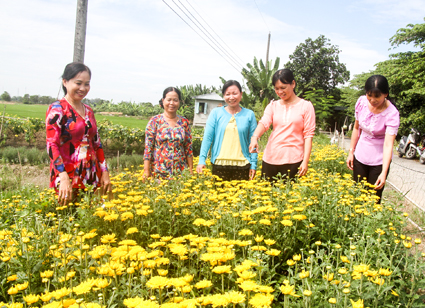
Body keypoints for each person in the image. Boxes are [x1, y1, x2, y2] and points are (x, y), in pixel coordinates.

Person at [46, 62, 111, 204]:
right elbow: (52, 145)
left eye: (87, 84)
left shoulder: (88, 110)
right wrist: (63, 177)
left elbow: (97, 143)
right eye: (78, 83)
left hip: (91, 175)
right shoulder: (58, 109)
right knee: (67, 218)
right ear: (65, 82)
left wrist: (104, 171)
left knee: (90, 218)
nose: (83, 88)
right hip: (67, 176)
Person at [249, 69, 316, 182]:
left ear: (293, 84)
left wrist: (305, 161)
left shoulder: (306, 106)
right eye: (276, 88)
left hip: (294, 160)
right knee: (266, 197)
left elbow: (308, 135)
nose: (280, 92)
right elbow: (264, 122)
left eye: (283, 88)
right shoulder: (273, 105)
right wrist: (255, 137)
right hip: (270, 159)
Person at [346, 75, 399, 203]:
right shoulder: (361, 103)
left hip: (379, 161)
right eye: (369, 95)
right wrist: (351, 152)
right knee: (357, 196)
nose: (372, 99)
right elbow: (356, 128)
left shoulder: (392, 114)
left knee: (373, 200)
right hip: (360, 156)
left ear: (385, 94)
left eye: (377, 96)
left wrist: (384, 172)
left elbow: (388, 145)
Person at [196, 80, 258, 181]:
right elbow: (207, 138)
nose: (231, 97)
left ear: (241, 94)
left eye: (235, 93)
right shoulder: (216, 113)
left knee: (240, 197)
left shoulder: (249, 114)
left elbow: (254, 141)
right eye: (227, 94)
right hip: (219, 164)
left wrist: (254, 164)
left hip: (243, 164)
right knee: (219, 196)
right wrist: (201, 160)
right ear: (223, 96)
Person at [143, 87, 193, 179]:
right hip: (159, 172)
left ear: (179, 102)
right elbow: (148, 148)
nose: (172, 103)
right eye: (169, 100)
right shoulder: (155, 121)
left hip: (180, 172)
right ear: (163, 101)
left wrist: (190, 170)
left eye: (175, 100)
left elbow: (188, 148)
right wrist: (146, 170)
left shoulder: (184, 122)